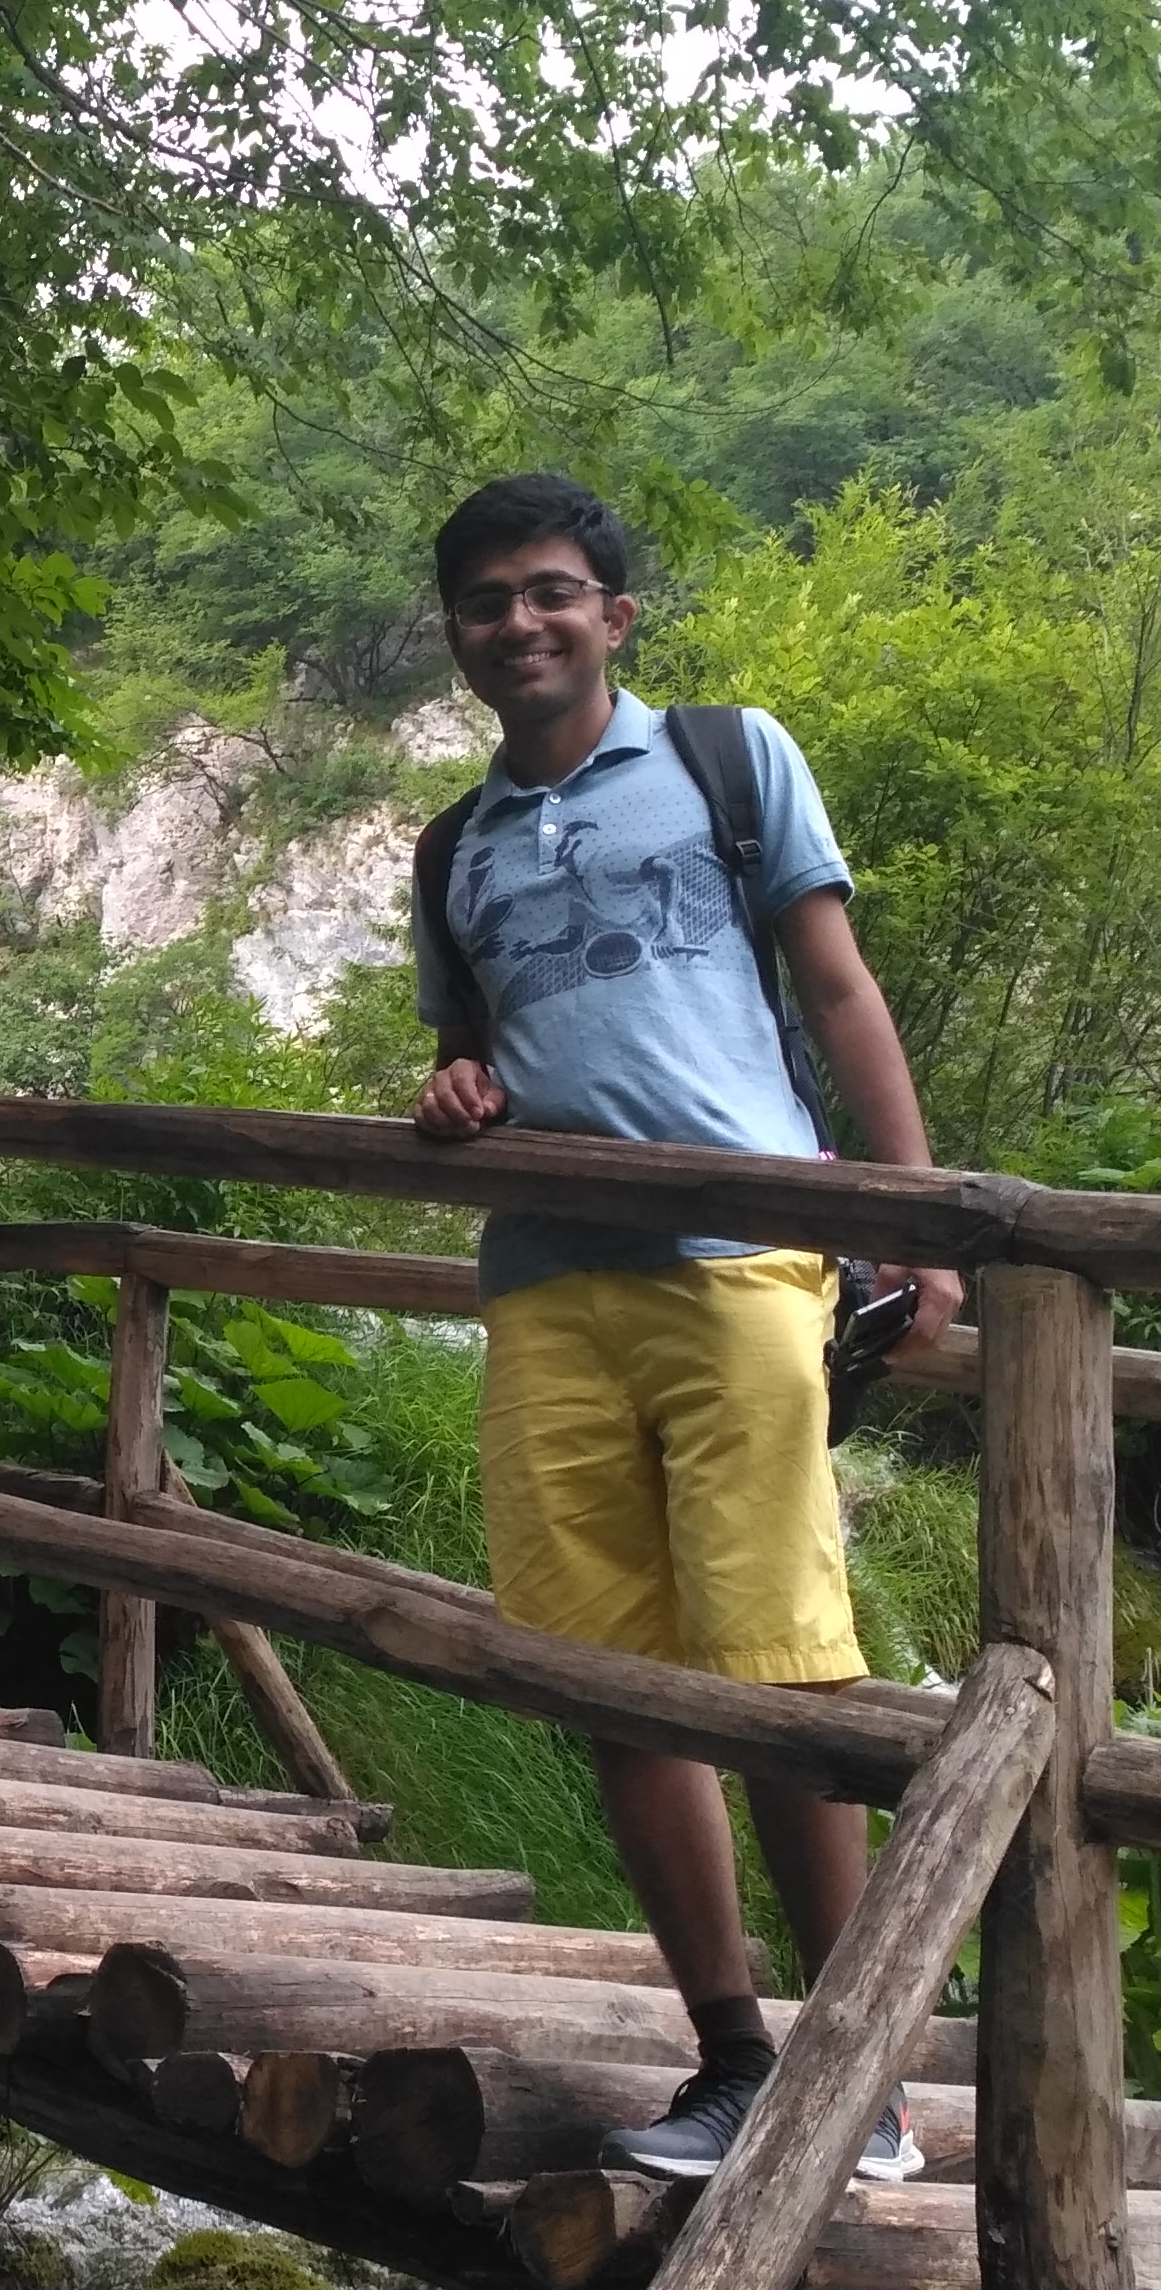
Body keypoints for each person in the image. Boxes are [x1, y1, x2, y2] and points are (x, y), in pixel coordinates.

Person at [405, 472, 961, 2185]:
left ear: (614, 615)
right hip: (548, 1282)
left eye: (553, 591)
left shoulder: (728, 758)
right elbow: (472, 1052)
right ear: (462, 637)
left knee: (784, 1675)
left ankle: (855, 2088)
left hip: (740, 1261)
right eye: (492, 600)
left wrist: (911, 1212)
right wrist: (455, 1087)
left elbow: (837, 984)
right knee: (619, 1689)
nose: (524, 621)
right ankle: (730, 2058)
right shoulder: (455, 848)